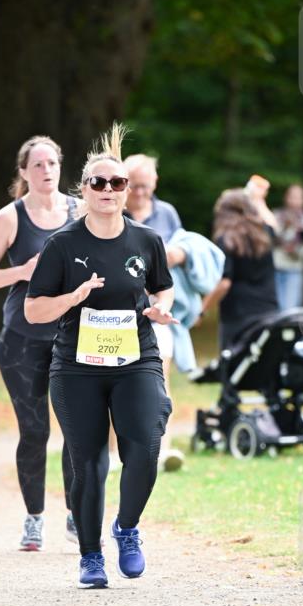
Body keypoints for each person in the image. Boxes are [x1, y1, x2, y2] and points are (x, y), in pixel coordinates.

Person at [25, 124, 175, 589]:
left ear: (128, 190)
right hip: (76, 367)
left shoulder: (146, 240)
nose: (108, 190)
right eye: (98, 183)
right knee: (88, 460)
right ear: (84, 191)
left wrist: (160, 308)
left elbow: (163, 286)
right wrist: (74, 297)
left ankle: (126, 529)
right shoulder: (63, 245)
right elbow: (33, 310)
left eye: (117, 183)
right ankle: (91, 557)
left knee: (145, 449)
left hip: (136, 359)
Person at [0, 136, 77, 550]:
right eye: (37, 165)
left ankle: (76, 513)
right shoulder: (10, 218)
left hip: (72, 337)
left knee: (77, 429)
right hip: (22, 340)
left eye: (52, 163)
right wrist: (22, 272)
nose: (46, 171)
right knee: (34, 431)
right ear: (23, 172)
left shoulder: (80, 211)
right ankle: (34, 519)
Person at [123, 153, 184, 471]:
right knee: (115, 382)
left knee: (160, 382)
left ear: (155, 183)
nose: (140, 193)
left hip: (156, 309)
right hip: (117, 313)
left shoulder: (167, 214)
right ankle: (114, 452)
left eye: (145, 186)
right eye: (134, 186)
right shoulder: (113, 212)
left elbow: (176, 256)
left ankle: (164, 449)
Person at [201, 188, 278, 352]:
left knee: (234, 368)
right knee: (264, 363)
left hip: (237, 315)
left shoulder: (226, 239)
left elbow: (224, 283)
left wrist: (202, 309)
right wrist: (259, 201)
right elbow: (273, 223)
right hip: (268, 309)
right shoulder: (265, 233)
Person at [272, 183, 303, 311]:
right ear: (286, 197)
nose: (295, 200)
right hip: (277, 265)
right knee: (275, 306)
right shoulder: (276, 215)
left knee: (289, 308)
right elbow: (272, 237)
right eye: (292, 196)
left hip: (295, 267)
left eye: (299, 197)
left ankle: (288, 331)